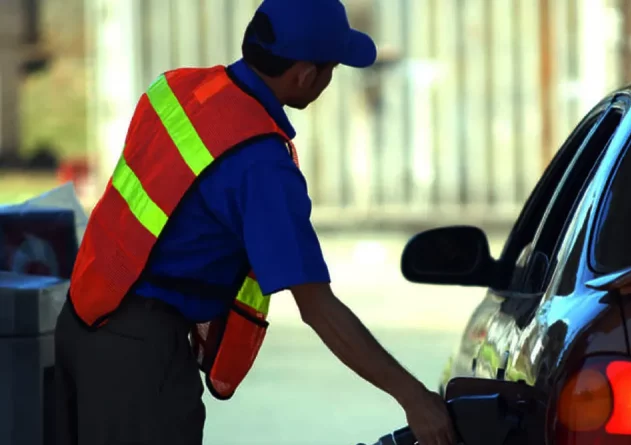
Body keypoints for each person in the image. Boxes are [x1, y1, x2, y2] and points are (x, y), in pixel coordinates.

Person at [53, 1, 456, 444]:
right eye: (332, 68)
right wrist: (414, 398)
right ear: (305, 75)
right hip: (138, 358)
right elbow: (319, 308)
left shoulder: (177, 88)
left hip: (82, 321)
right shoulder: (261, 163)